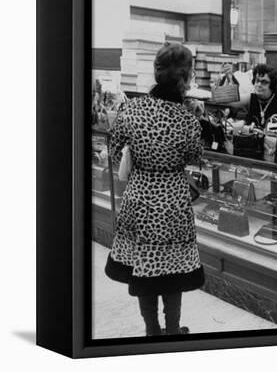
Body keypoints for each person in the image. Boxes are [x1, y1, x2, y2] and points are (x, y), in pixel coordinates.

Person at [105, 42, 204, 336]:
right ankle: (172, 332)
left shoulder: (131, 108)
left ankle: (152, 331)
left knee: (143, 265)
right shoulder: (187, 119)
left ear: (156, 72)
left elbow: (112, 151)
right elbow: (194, 157)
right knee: (171, 270)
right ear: (185, 78)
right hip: (173, 198)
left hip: (139, 196)